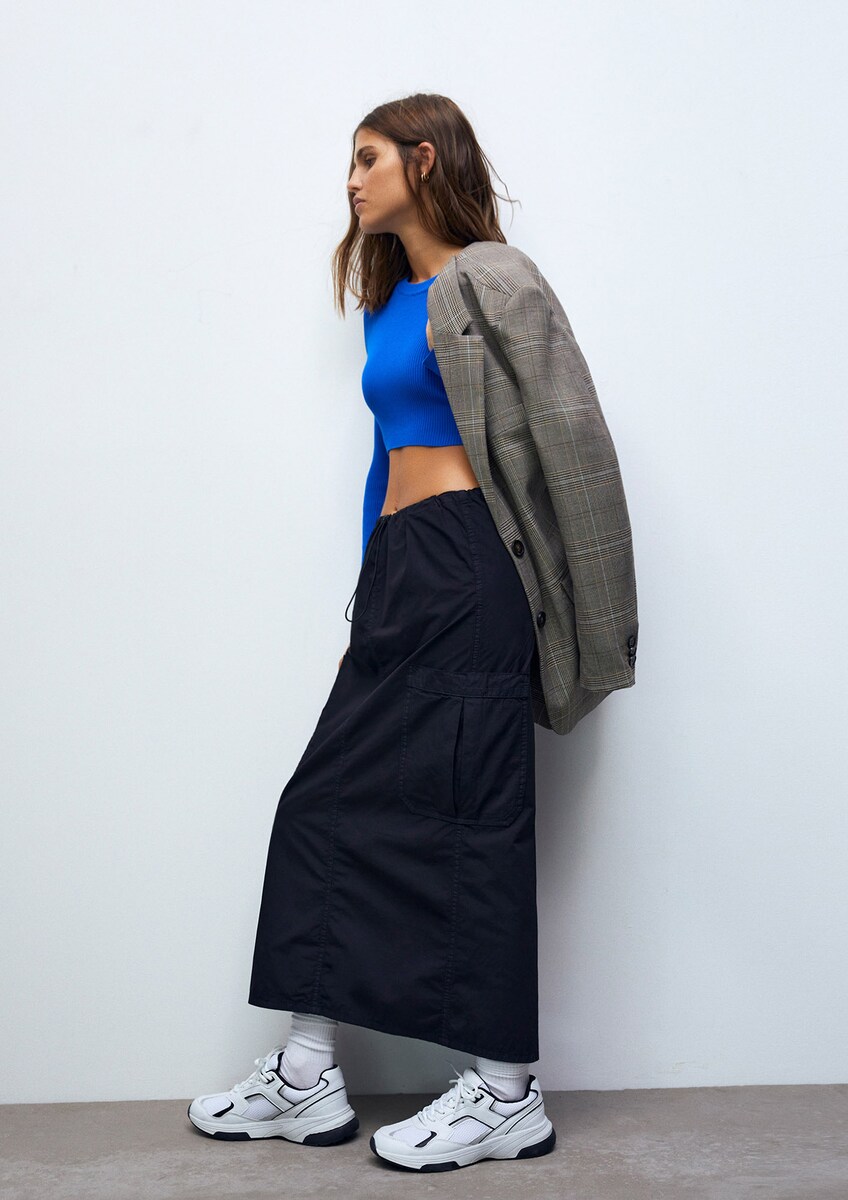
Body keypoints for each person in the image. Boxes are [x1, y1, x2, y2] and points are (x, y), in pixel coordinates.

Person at [188, 92, 638, 1173]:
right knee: (325, 803)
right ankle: (307, 1075)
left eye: (368, 158)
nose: (351, 181)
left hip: (476, 567)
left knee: (479, 816)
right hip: (403, 573)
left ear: (423, 160)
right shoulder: (388, 305)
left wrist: (596, 619)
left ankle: (506, 1091)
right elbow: (384, 458)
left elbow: (575, 441)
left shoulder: (495, 280)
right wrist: (370, 594)